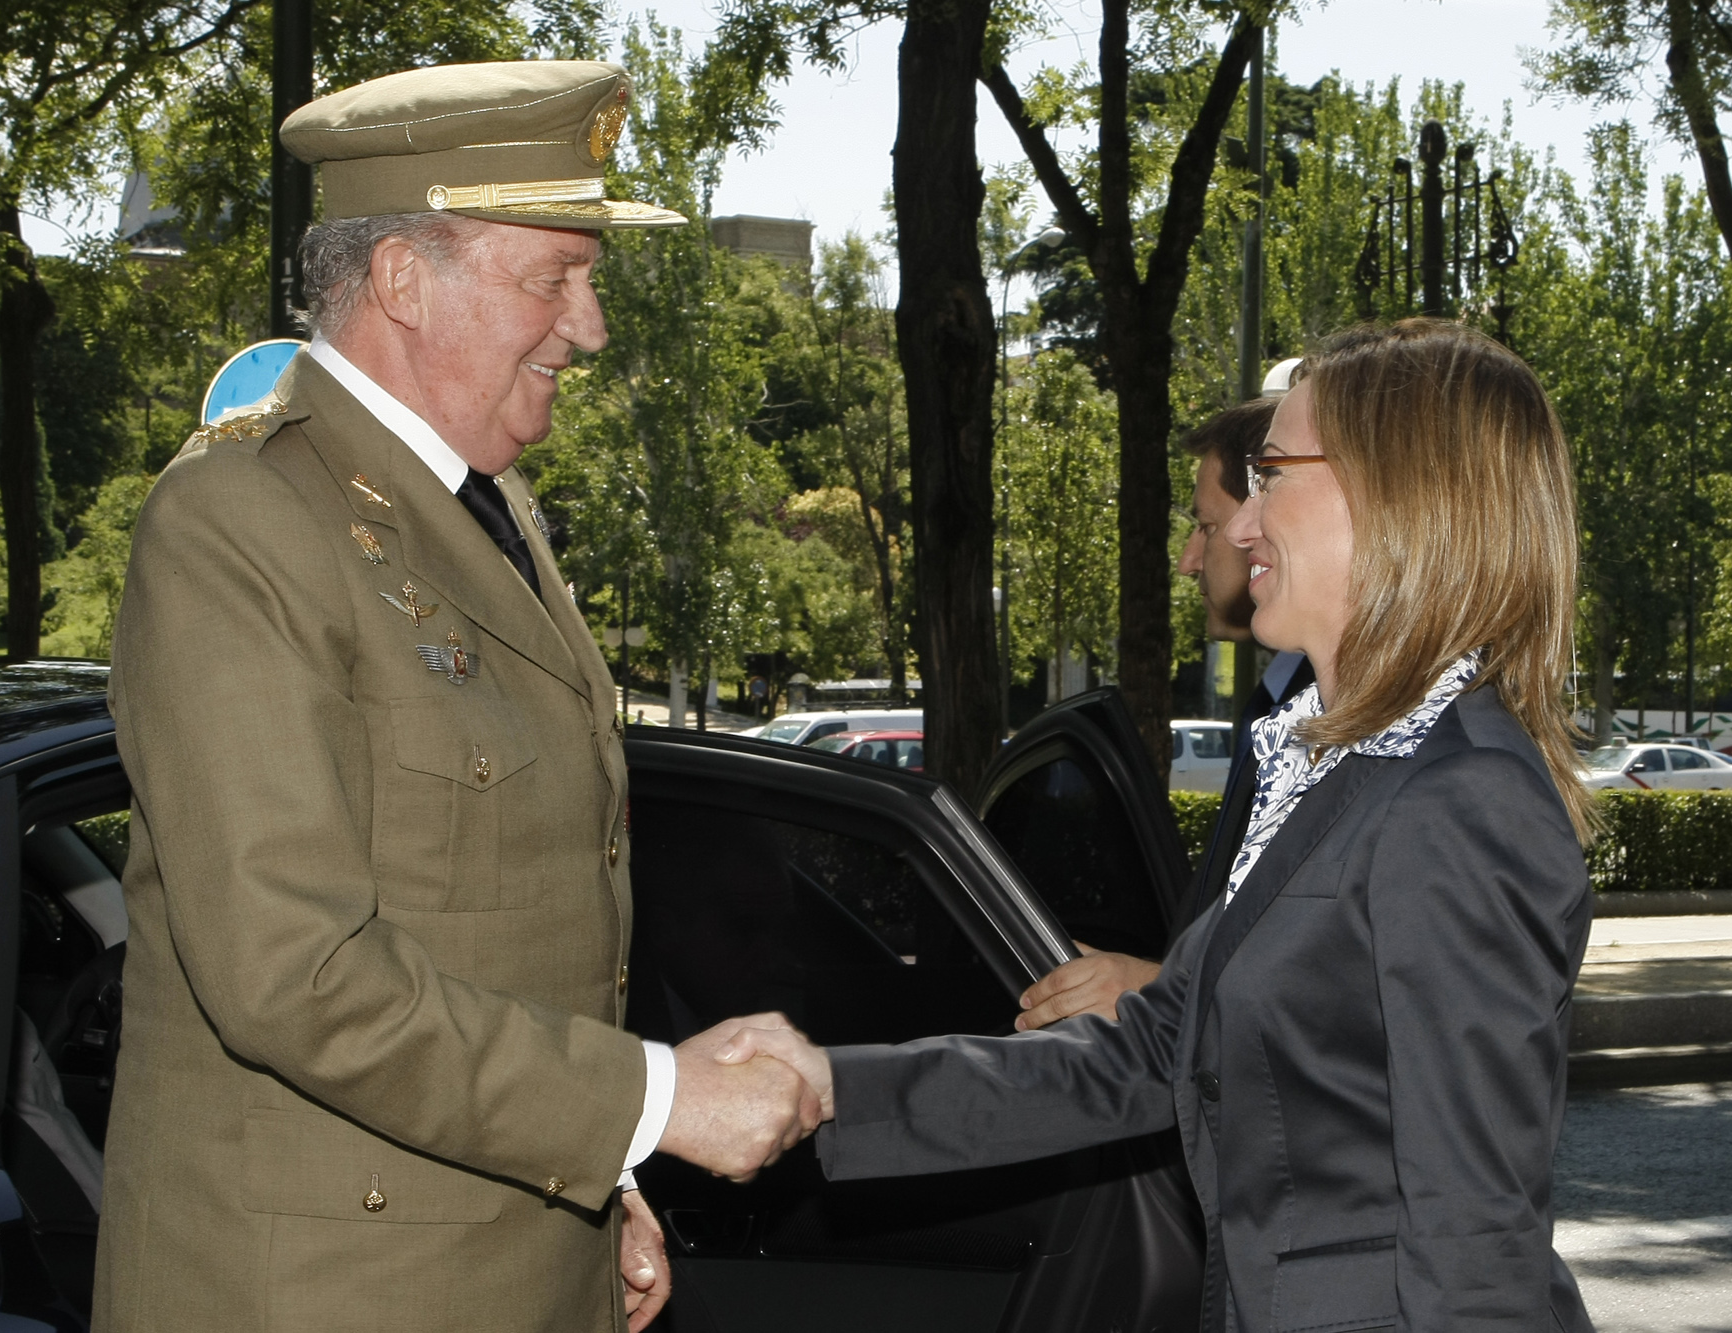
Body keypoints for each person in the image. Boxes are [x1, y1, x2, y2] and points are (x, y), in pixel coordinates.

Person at [97, 62, 813, 1333]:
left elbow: (506, 932)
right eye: (554, 279)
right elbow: (295, 972)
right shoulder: (239, 521)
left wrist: (598, 1185)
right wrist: (654, 1102)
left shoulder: (486, 505)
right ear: (402, 281)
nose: (589, 328)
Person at [727, 319, 1600, 1331]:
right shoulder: (1340, 770)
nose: (1240, 527)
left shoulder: (1459, 799)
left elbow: (1476, 1248)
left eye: (1271, 475)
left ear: (1400, 493)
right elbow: (1144, 1052)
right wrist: (830, 1086)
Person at [1016, 397, 1313, 1031]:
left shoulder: (1346, 726)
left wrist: (1153, 989)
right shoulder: (1282, 704)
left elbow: (1327, 991)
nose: (1188, 560)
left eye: (1205, 526)